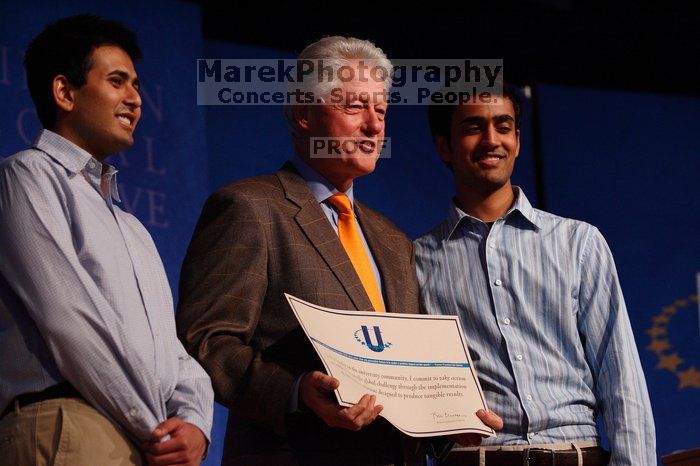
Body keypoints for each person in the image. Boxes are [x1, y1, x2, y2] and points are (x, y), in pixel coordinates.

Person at [176, 36, 501, 465]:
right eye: (354, 107)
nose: (374, 126)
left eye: (381, 111)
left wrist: (447, 425)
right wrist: (296, 391)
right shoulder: (249, 207)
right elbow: (206, 341)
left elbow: (404, 374)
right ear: (305, 113)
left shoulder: (393, 240)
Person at [0, 14, 213, 466]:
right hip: (68, 424)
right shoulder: (26, 175)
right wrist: (154, 426)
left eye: (136, 85)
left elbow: (169, 350)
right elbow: (67, 316)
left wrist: (194, 424)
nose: (135, 99)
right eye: (118, 81)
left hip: (139, 440)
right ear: (65, 92)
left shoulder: (132, 228)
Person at [415, 85, 656, 465]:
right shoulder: (416, 260)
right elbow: (414, 389)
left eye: (504, 126)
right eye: (474, 128)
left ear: (518, 140)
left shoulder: (579, 242)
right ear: (444, 146)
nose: (492, 140)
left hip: (575, 452)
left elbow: (621, 379)